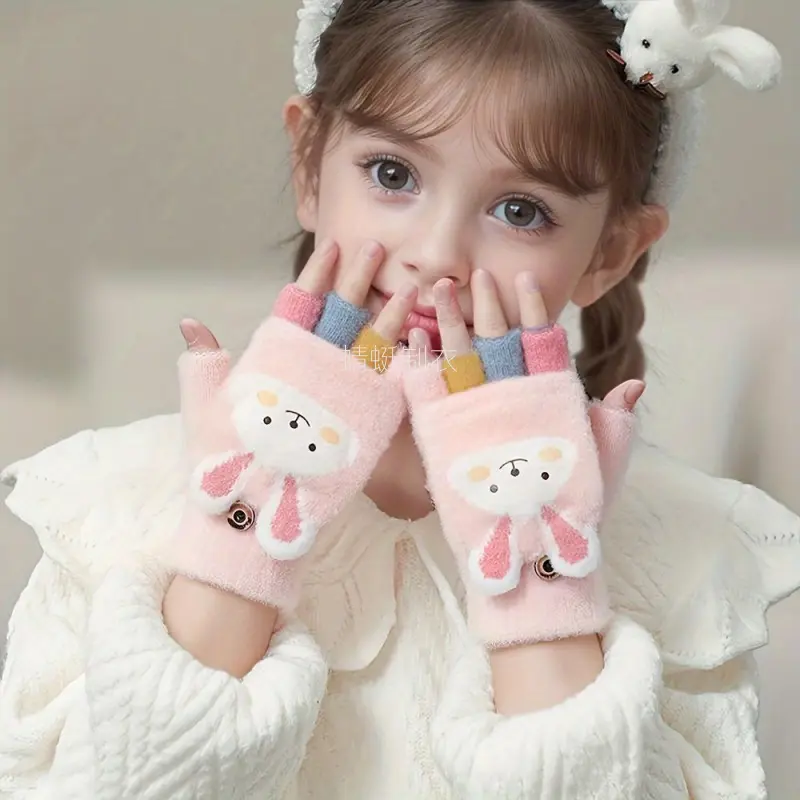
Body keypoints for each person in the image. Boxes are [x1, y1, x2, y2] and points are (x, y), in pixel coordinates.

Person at [0, 1, 795, 798]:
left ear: (610, 253)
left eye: (521, 212)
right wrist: (249, 518)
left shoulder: (684, 565)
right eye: (392, 174)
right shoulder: (115, 509)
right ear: (311, 163)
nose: (437, 254)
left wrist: (534, 567)